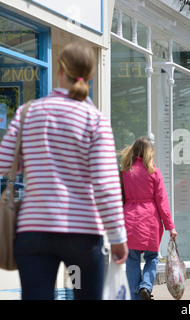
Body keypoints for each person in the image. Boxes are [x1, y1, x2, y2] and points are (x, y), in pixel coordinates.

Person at [0, 42, 128, 300]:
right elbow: (105, 184)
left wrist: (35, 160)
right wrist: (117, 236)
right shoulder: (94, 120)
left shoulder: (28, 113)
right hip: (80, 235)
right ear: (89, 77)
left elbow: (4, 163)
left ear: (59, 71)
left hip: (33, 233)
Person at [119, 136, 177, 300]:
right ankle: (146, 285)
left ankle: (135, 295)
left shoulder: (125, 172)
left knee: (132, 259)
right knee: (152, 257)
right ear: (149, 153)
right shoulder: (154, 172)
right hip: (150, 220)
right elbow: (162, 201)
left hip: (129, 218)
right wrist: (170, 226)